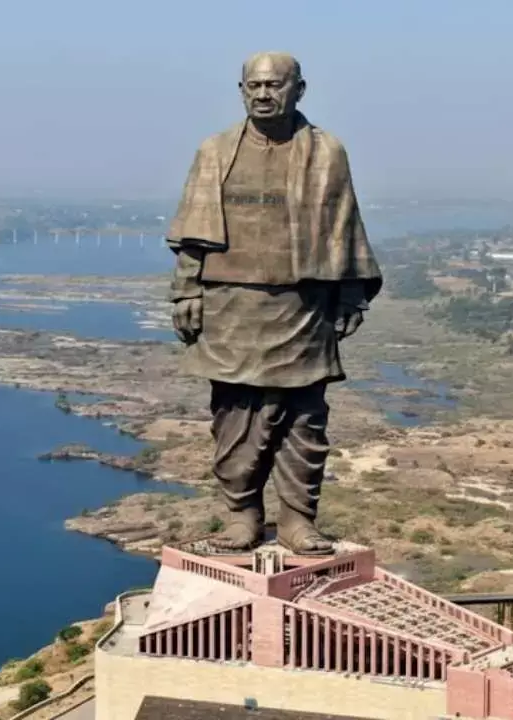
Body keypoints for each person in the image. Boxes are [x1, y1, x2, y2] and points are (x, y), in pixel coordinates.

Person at [165, 52, 383, 554]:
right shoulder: (216, 150)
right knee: (236, 415)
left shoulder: (327, 152)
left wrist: (350, 292)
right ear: (241, 89)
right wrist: (186, 291)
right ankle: (241, 513)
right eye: (254, 85)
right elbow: (192, 234)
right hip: (231, 304)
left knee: (304, 416)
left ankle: (297, 519)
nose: (264, 94)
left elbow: (343, 227)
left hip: (303, 306)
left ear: (298, 89)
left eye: (275, 85)